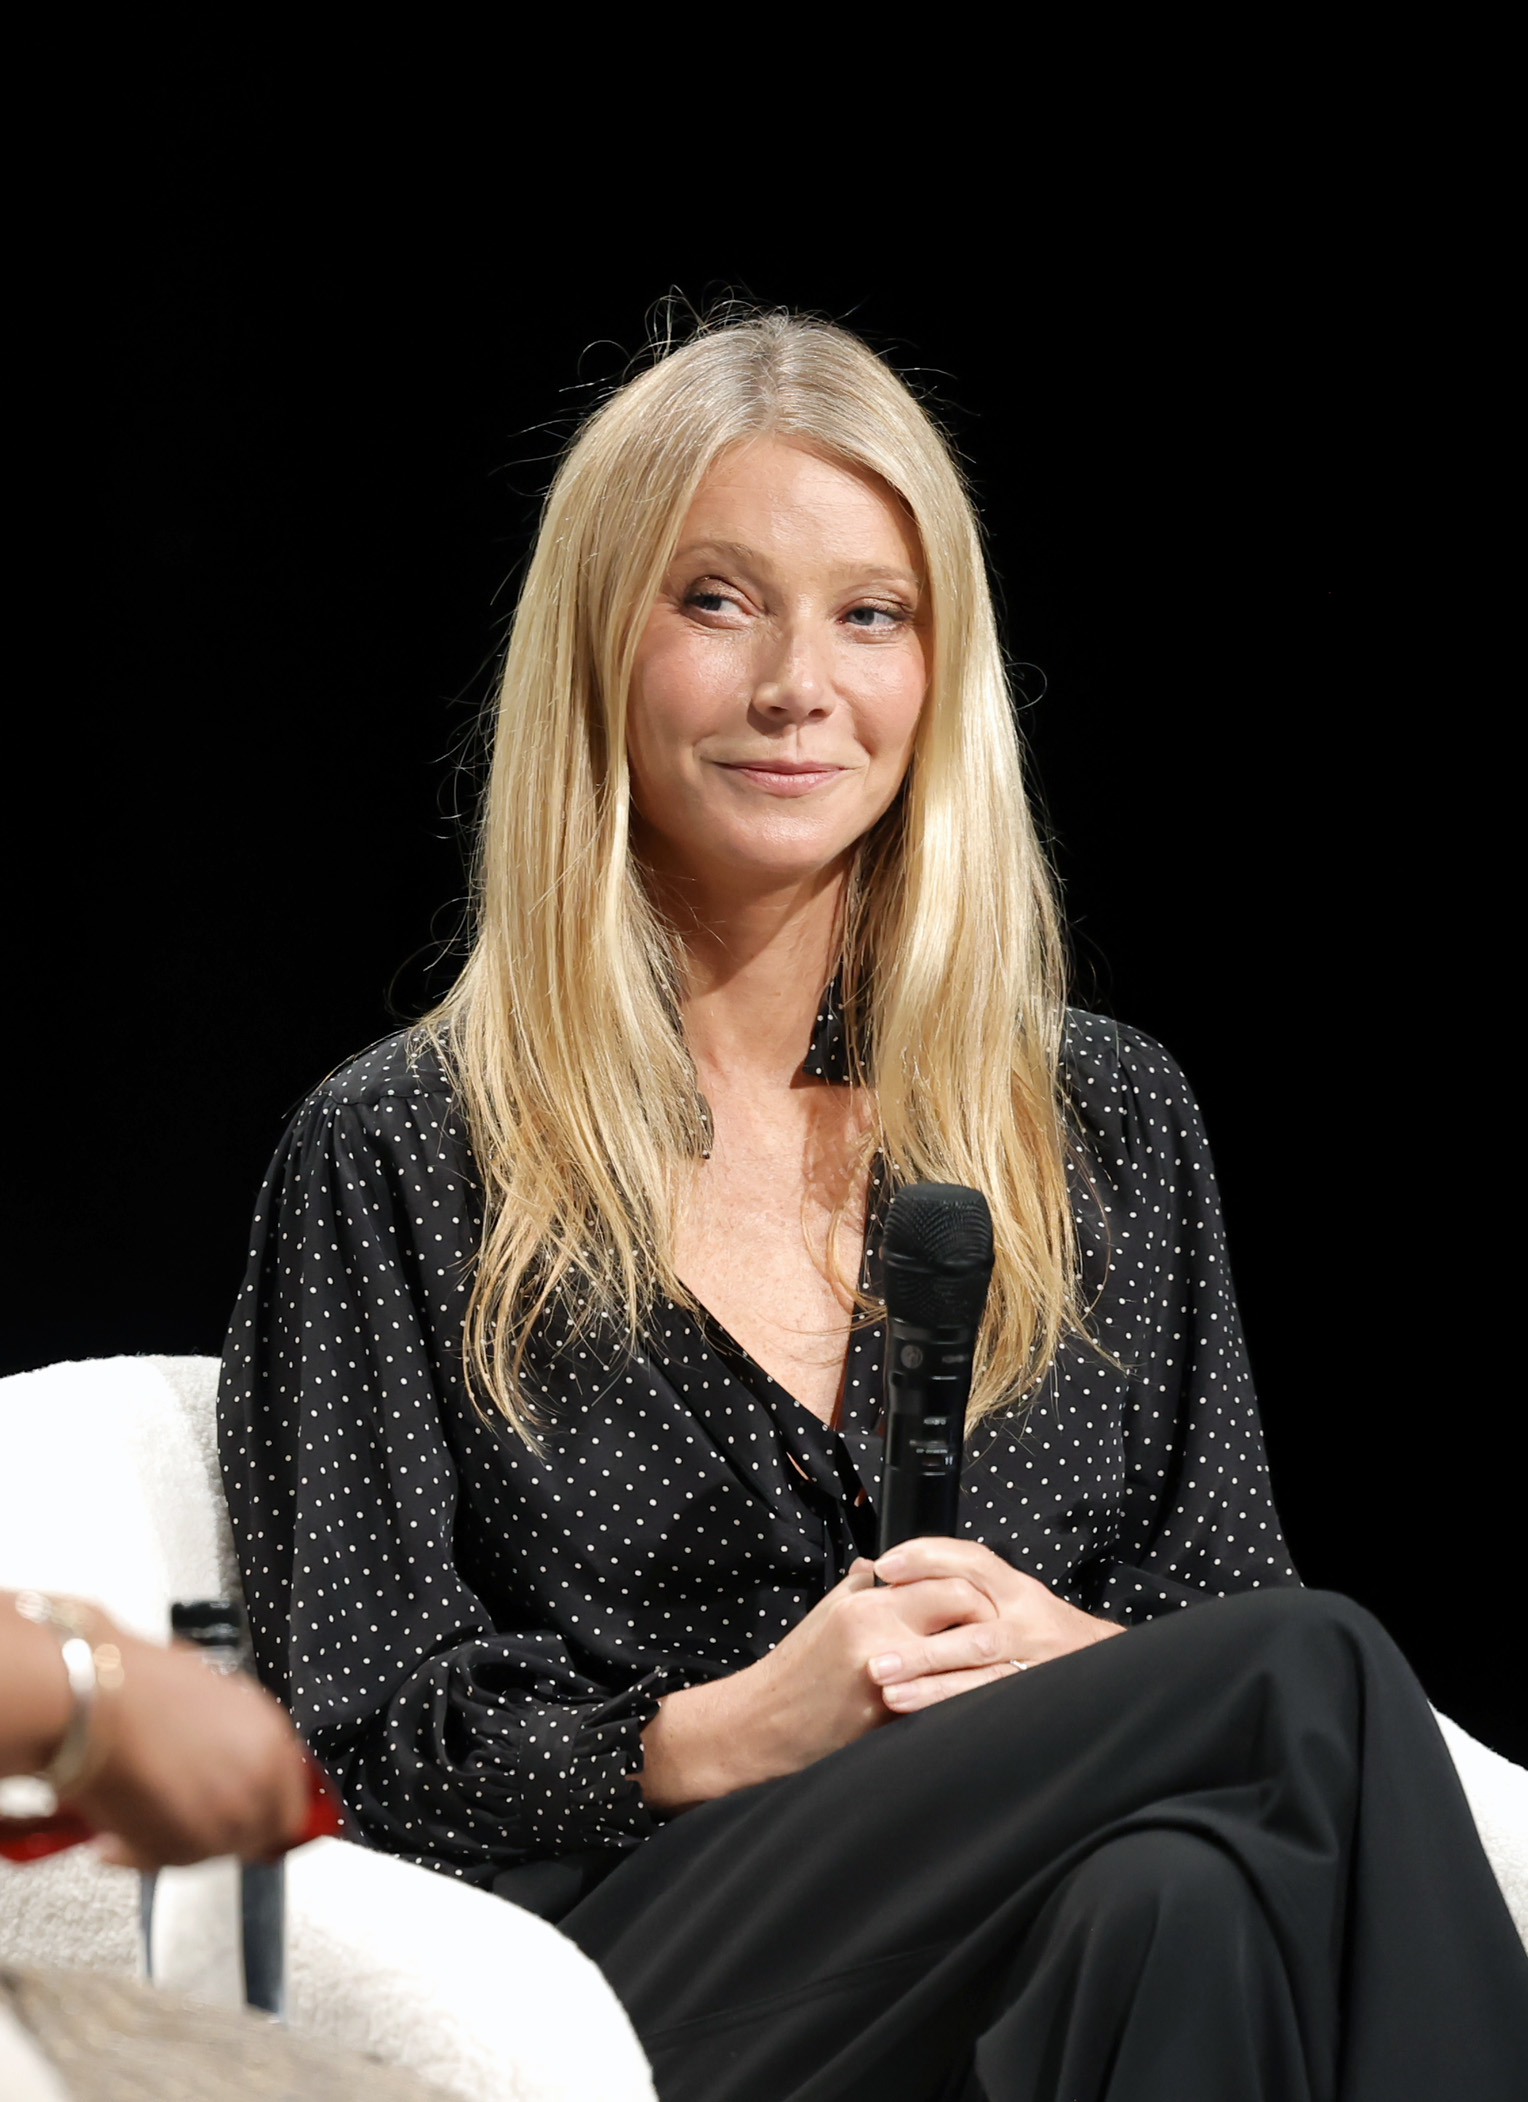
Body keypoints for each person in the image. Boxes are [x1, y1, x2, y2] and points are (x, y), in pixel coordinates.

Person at [218, 312, 1528, 2100]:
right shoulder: (397, 1153)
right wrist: (724, 1729)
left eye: (869, 613)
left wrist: (1064, 1661)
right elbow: (347, 1739)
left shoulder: (1102, 1117)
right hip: (648, 1964)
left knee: (1184, 1906)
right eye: (717, 600)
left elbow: (1213, 1585)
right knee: (1315, 1675)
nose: (796, 685)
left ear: (941, 672)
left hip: (1022, 1931)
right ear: (599, 643)